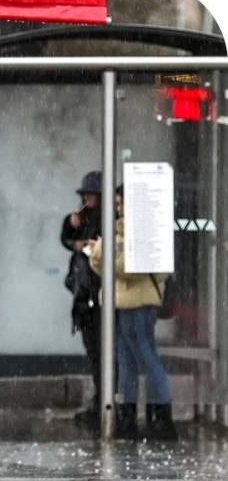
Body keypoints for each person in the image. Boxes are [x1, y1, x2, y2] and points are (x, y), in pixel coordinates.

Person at [89, 187, 177, 441]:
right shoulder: (117, 230)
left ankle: (161, 415)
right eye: (116, 204)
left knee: (145, 356)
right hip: (120, 303)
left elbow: (129, 266)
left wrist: (102, 253)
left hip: (139, 304)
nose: (117, 208)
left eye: (121, 203)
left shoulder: (145, 232)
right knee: (126, 360)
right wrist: (103, 254)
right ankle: (128, 416)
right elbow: (100, 264)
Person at [60, 171, 103, 428]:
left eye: (90, 195)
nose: (86, 199)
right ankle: (100, 401)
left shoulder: (105, 220)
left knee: (101, 353)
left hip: (95, 296)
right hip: (83, 297)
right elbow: (66, 239)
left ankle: (105, 402)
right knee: (93, 352)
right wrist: (71, 228)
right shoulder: (82, 218)